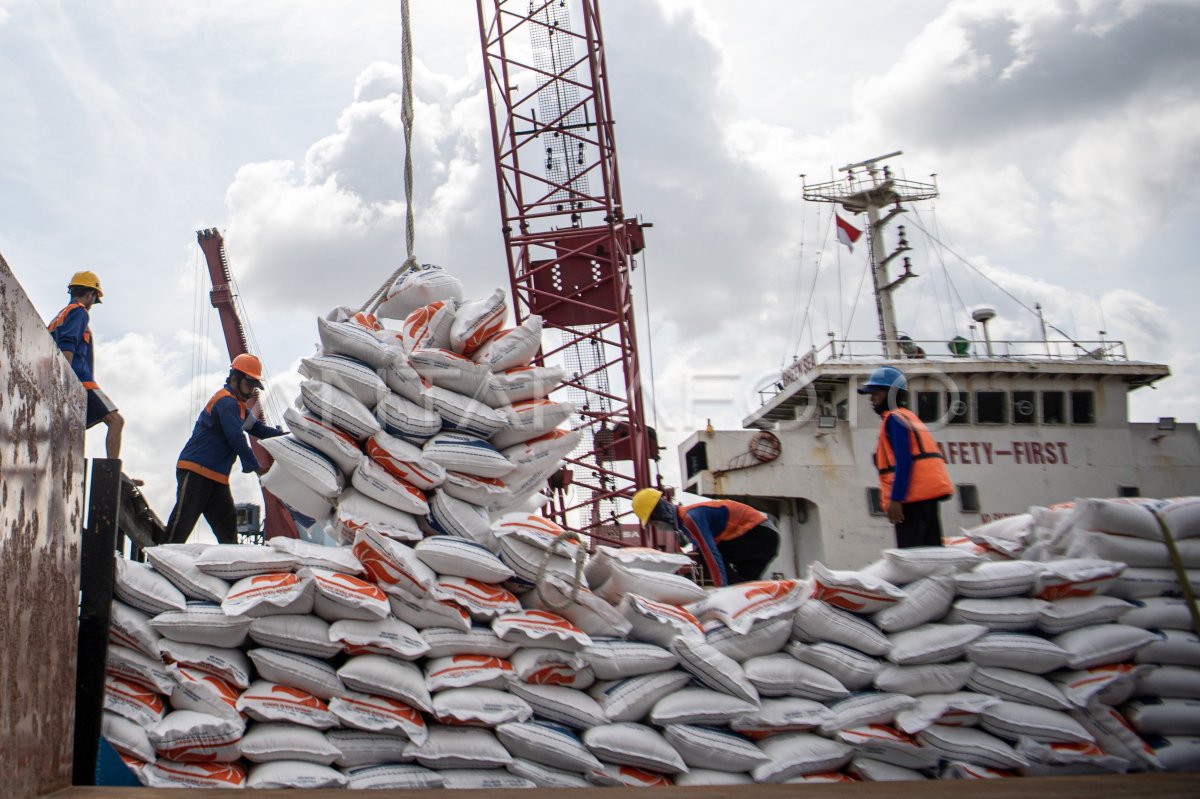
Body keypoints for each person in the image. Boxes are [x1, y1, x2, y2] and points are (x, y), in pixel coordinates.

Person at [164, 354, 285, 545]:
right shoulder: (226, 402)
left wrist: (285, 437)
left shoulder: (239, 407)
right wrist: (255, 466)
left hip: (217, 477)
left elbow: (258, 429)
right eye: (249, 384)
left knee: (228, 529)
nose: (251, 390)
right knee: (182, 523)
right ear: (235, 378)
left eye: (254, 386)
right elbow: (235, 437)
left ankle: (232, 568)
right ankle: (162, 558)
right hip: (196, 470)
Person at [858, 365, 954, 548]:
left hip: (912, 501)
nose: (871, 399)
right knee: (932, 550)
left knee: (912, 554)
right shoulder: (908, 416)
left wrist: (896, 499)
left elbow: (904, 460)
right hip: (927, 498)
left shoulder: (894, 420)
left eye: (875, 393)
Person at [47, 270, 127, 458]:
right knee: (116, 421)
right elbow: (68, 343)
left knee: (74, 428)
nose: (93, 304)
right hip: (81, 380)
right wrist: (66, 378)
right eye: (94, 299)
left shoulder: (58, 317)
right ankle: (112, 471)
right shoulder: (79, 311)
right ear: (91, 294)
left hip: (70, 379)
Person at [631, 488, 780, 585]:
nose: (657, 527)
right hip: (763, 539)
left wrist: (721, 588)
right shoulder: (686, 521)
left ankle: (729, 590)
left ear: (659, 514)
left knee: (704, 552)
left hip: (760, 535)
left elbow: (711, 554)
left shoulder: (690, 518)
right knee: (745, 586)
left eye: (654, 522)